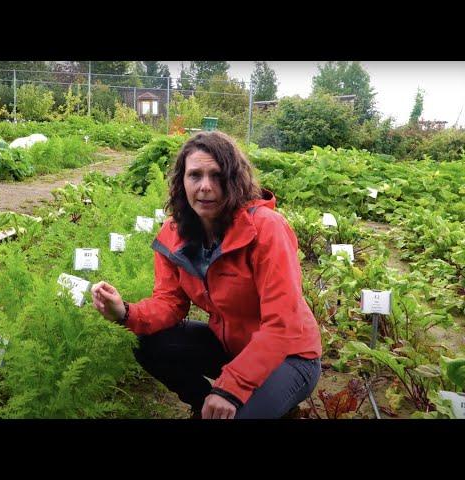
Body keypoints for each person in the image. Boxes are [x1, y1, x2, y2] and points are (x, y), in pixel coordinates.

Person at [91, 131, 322, 419]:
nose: (205, 186)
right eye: (195, 175)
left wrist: (230, 388)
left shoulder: (265, 229)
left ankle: (263, 402)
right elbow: (169, 304)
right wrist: (126, 312)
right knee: (145, 342)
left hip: (290, 355)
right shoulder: (174, 234)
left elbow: (282, 325)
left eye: (217, 175)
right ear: (182, 181)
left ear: (235, 180)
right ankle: (204, 408)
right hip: (231, 346)